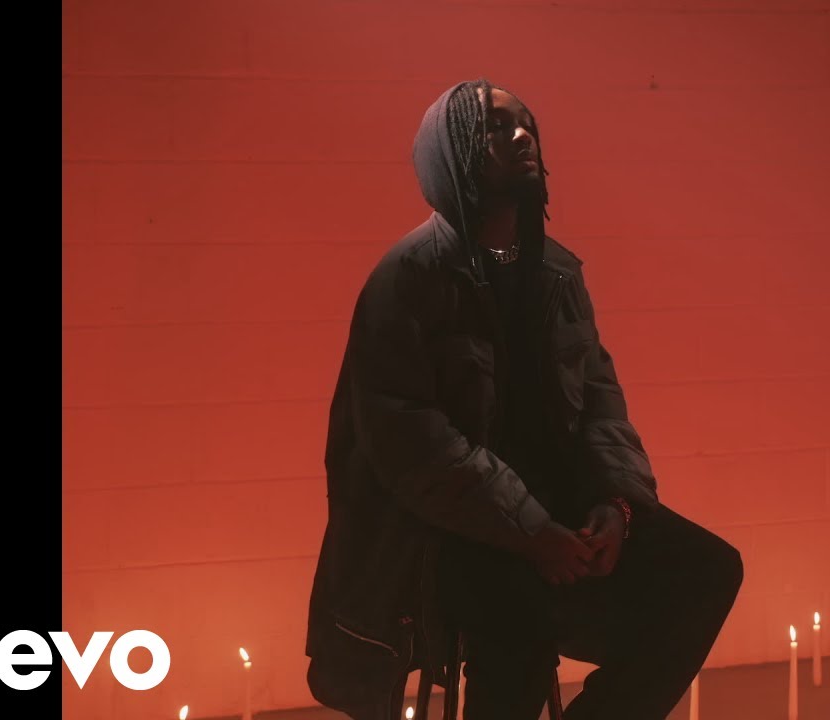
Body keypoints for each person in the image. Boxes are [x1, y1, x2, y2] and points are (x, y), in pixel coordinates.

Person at [306, 77, 743, 720]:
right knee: (516, 627)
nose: (520, 135)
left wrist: (616, 504)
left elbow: (600, 402)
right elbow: (414, 446)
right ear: (451, 152)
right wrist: (530, 531)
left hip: (557, 511)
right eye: (493, 126)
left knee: (709, 570)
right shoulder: (407, 278)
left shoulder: (556, 272)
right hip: (448, 531)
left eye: (525, 124)